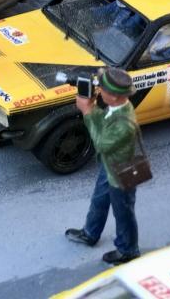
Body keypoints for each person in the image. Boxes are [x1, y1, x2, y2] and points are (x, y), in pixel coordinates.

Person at [65, 67, 141, 265]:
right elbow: (104, 123)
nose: (99, 91)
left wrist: (87, 111)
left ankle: (128, 250)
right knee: (99, 200)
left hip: (122, 173)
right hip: (110, 165)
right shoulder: (116, 107)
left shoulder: (124, 124)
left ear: (114, 96)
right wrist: (92, 108)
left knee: (123, 213)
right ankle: (90, 233)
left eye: (103, 90)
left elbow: (101, 144)